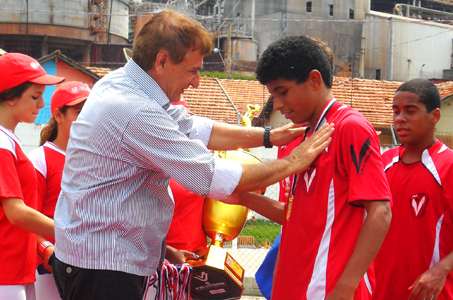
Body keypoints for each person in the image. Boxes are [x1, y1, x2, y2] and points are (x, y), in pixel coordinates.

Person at [51, 11, 334, 300]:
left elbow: (194, 127)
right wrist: (291, 162)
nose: (197, 81)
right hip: (103, 269)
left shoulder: (125, 85)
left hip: (102, 259)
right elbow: (211, 176)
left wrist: (267, 136)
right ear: (162, 61)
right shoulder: (134, 109)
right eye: (192, 70)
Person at [234, 35, 392, 299]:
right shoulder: (305, 135)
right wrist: (239, 195)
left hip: (328, 288)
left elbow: (380, 212)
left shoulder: (349, 127)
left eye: (282, 92)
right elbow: (296, 216)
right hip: (294, 285)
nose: (279, 105)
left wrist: (346, 287)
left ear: (315, 80)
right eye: (274, 95)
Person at [373, 79, 453, 300]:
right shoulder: (382, 162)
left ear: (435, 116)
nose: (400, 119)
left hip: (430, 294)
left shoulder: (448, 166)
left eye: (410, 111)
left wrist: (441, 269)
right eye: (396, 112)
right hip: (379, 291)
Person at [0, 53, 64, 300]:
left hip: (16, 268)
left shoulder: (9, 140)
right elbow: (16, 211)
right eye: (35, 97)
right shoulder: (3, 144)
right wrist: (71, 232)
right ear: (10, 97)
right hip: (5, 269)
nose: (41, 104)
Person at [27, 81, 90, 300]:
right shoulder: (39, 160)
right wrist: (46, 250)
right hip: (48, 269)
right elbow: (24, 219)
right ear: (59, 115)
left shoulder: (97, 161)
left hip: (89, 266)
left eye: (90, 112)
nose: (87, 119)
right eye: (79, 112)